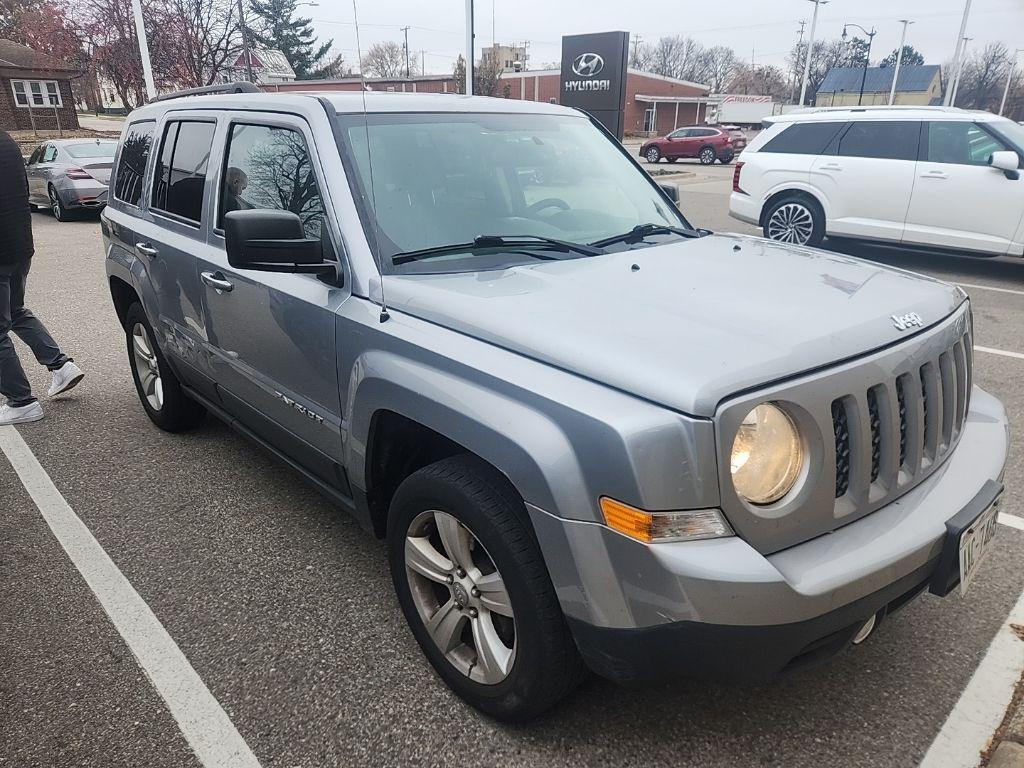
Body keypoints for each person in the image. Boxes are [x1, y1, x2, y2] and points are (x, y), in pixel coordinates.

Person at [0, 128, 83, 425]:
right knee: (15, 312)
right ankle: (60, 366)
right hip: (19, 245)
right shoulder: (6, 140)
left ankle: (21, 402)